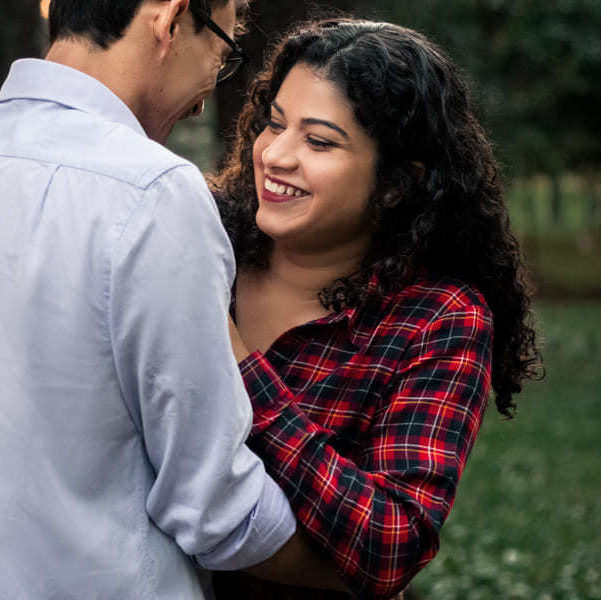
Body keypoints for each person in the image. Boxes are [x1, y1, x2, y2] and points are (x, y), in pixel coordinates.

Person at [0, 2, 348, 598]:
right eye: (219, 55)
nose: (201, 99)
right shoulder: (154, 196)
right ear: (169, 21)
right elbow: (214, 502)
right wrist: (348, 575)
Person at [210, 19, 541, 599]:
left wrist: (238, 365)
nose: (276, 155)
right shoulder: (201, 241)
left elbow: (391, 541)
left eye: (319, 141)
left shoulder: (438, 318)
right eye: (275, 124)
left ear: (395, 184)